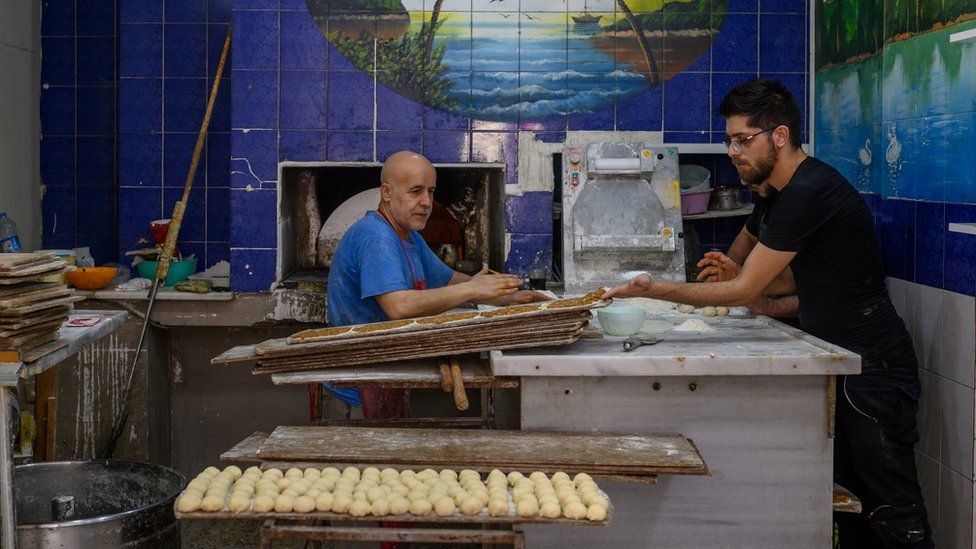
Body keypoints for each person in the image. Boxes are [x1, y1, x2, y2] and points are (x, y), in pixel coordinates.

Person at [605, 79, 932, 548]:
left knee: (893, 510)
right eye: (730, 140)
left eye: (743, 140)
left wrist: (653, 288)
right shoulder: (774, 193)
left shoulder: (809, 191)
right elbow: (785, 281)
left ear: (779, 136)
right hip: (840, 359)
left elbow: (742, 285)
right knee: (851, 506)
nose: (734, 150)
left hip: (873, 369)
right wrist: (747, 290)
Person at [326, 150, 548, 420]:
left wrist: (504, 297)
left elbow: (448, 278)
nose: (427, 202)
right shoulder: (376, 237)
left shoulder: (406, 233)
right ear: (386, 192)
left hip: (386, 367)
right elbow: (398, 306)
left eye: (430, 192)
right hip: (357, 384)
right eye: (415, 191)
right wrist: (473, 290)